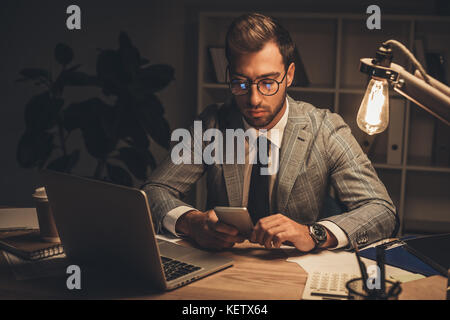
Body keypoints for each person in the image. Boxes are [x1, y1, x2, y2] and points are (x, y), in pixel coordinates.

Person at [142, 13, 397, 252]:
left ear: (289, 75)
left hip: (297, 272)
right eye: (241, 82)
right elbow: (153, 191)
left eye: (267, 83)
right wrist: (192, 221)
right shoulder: (212, 124)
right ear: (228, 74)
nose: (253, 99)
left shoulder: (324, 128)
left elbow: (381, 210)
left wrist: (315, 233)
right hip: (224, 267)